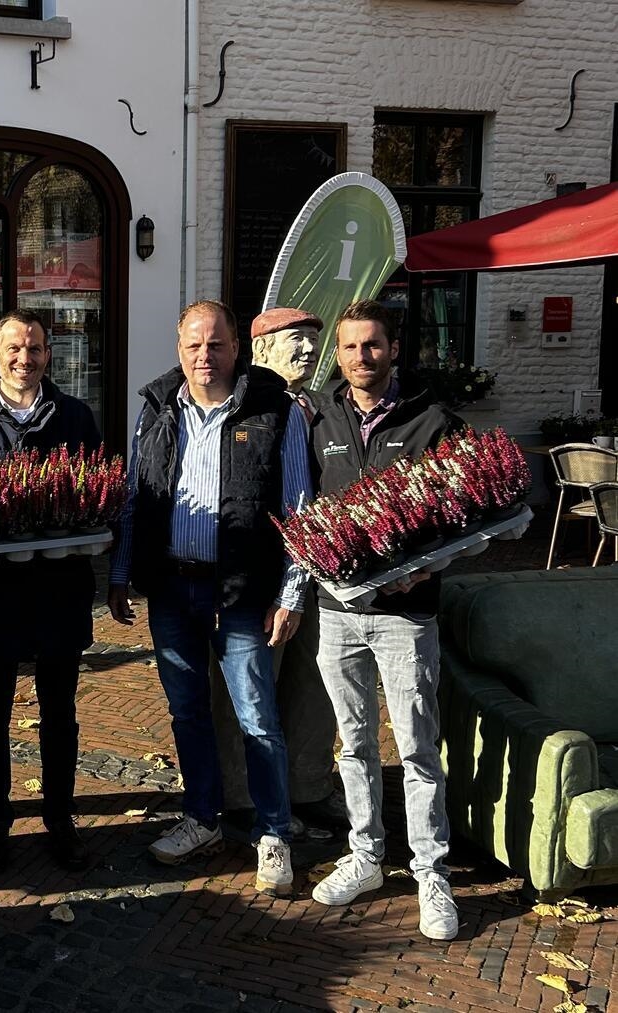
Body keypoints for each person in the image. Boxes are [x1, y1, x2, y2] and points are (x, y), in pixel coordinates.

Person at [107, 300, 311, 897]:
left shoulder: (274, 410)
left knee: (256, 716)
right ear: (178, 348)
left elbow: (300, 507)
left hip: (242, 591)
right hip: (171, 589)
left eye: (216, 345)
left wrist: (293, 591)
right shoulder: (154, 411)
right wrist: (120, 573)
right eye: (194, 345)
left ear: (236, 349)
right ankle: (203, 819)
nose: (204, 356)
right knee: (187, 711)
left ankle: (273, 832)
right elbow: (133, 498)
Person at [307, 299, 462, 941]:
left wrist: (426, 568)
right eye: (349, 347)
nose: (360, 357)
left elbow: (461, 514)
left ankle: (431, 871)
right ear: (336, 353)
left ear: (394, 349)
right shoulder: (317, 418)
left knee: (418, 747)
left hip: (405, 616)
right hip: (337, 612)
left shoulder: (433, 420)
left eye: (372, 345)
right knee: (353, 743)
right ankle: (367, 855)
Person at [0, 308, 102, 873]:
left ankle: (60, 820)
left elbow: (102, 498)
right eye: (13, 349)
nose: (23, 359)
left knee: (61, 710)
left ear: (48, 354)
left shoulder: (76, 417)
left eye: (34, 349)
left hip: (62, 585)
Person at [207, 308, 339, 827]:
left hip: (324, 569)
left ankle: (308, 785)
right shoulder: (245, 407)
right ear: (259, 350)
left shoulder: (327, 408)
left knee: (313, 681)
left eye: (313, 339)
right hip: (263, 574)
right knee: (248, 686)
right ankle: (240, 793)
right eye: (294, 340)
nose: (308, 350)